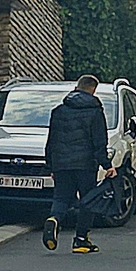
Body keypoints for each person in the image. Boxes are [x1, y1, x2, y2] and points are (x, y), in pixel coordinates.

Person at [43, 76, 111, 253]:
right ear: (93, 90)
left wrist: (51, 166)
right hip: (86, 165)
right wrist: (107, 165)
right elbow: (99, 141)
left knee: (61, 198)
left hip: (61, 164)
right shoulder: (95, 111)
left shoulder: (58, 111)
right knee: (88, 200)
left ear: (76, 87)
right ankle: (81, 240)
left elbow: (52, 141)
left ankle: (54, 219)